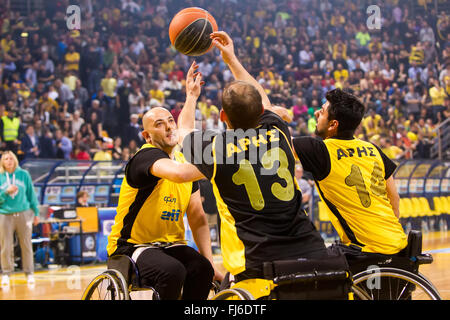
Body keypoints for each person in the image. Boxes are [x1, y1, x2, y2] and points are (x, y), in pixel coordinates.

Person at [175, 32, 330, 282]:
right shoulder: (277, 131)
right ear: (261, 111)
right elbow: (263, 100)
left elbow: (183, 130)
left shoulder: (214, 148)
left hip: (256, 263)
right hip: (310, 250)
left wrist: (191, 96)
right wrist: (231, 59)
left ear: (223, 117)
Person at [106, 62, 222, 300]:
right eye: (160, 125)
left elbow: (198, 218)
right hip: (132, 247)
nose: (169, 127)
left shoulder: (180, 159)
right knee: (173, 271)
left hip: (171, 246)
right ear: (147, 136)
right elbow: (179, 173)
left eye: (170, 121)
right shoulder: (145, 157)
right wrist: (224, 160)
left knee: (202, 269)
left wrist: (191, 96)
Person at [291, 88, 408, 261]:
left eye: (321, 112)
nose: (316, 114)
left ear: (333, 124)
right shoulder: (373, 149)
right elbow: (395, 200)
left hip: (365, 251)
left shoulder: (320, 151)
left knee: (299, 262)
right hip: (398, 243)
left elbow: (277, 144)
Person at [0, 151, 40, 287]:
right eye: (6, 159)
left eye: (11, 158)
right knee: (6, 246)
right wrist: (6, 192)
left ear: (15, 160)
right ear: (2, 162)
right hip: (5, 214)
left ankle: (29, 273)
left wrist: (36, 213)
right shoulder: (0, 177)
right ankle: (6, 273)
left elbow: (31, 195)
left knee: (26, 244)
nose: (9, 161)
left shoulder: (23, 174)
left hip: (24, 213)